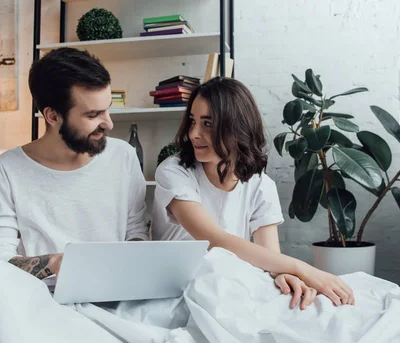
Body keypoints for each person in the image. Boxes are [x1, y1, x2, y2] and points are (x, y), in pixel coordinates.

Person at [151, 77, 354, 309]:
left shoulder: (261, 185)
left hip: (226, 283)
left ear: (236, 128)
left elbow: (270, 257)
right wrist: (303, 269)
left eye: (207, 124)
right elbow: (214, 240)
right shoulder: (174, 172)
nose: (194, 133)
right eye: (192, 121)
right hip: (173, 288)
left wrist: (282, 275)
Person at [0, 47, 148, 279]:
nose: (108, 124)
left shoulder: (124, 156)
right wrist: (56, 263)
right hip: (39, 295)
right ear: (52, 116)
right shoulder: (8, 169)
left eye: (107, 110)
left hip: (114, 290)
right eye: (93, 115)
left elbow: (136, 232)